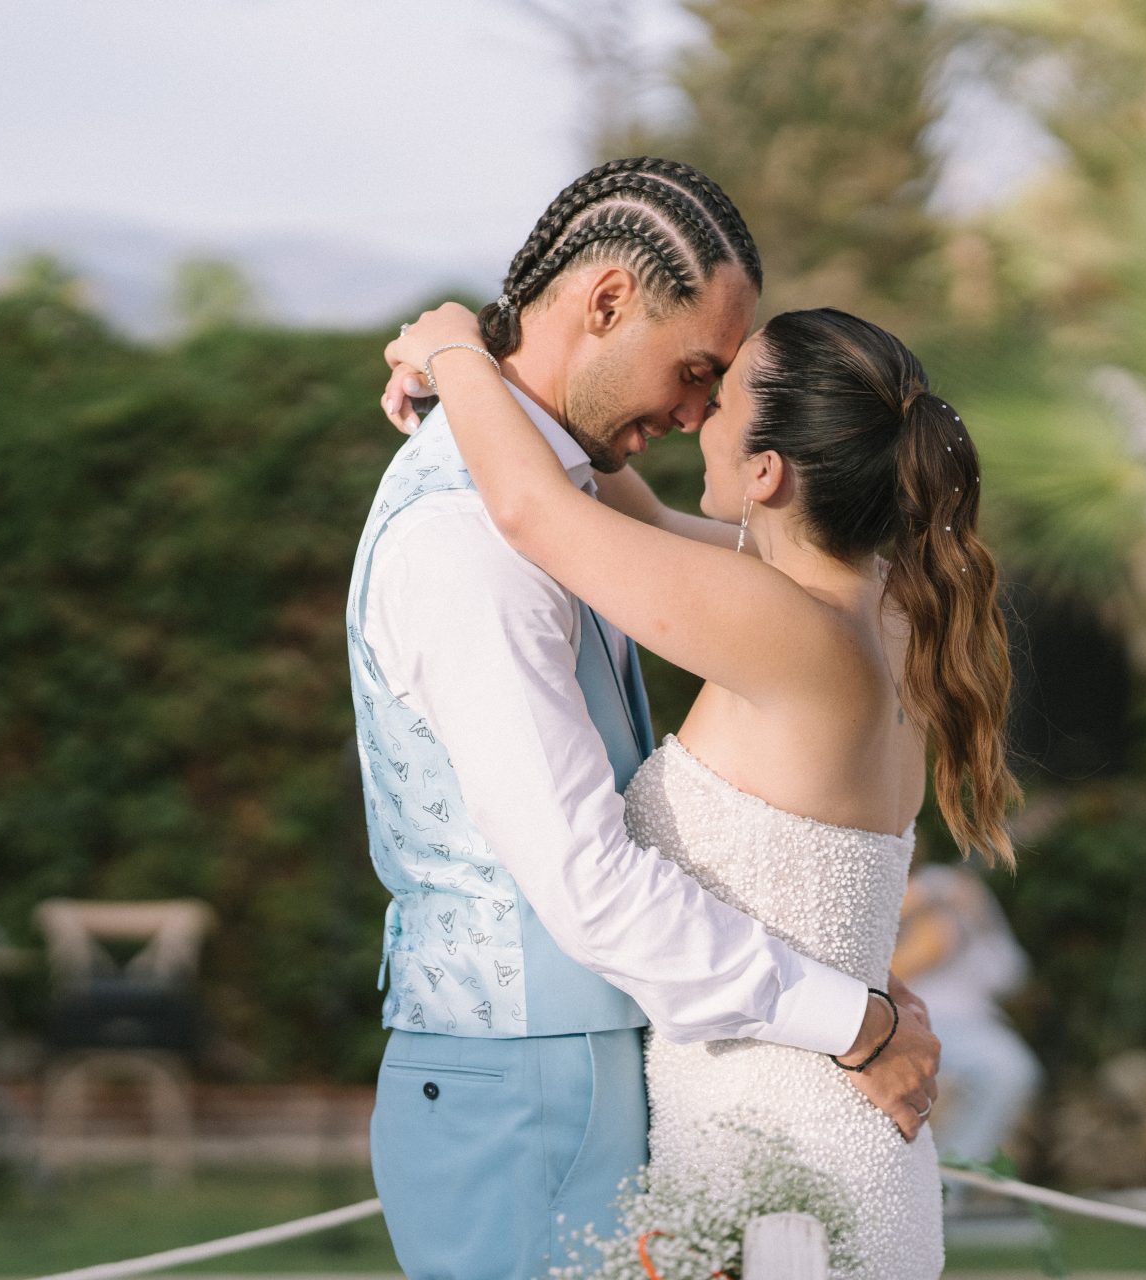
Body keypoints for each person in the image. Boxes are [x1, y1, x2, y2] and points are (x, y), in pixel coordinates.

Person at [349, 157, 941, 1280]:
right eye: (696, 370)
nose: (694, 412)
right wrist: (854, 1011)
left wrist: (460, 355)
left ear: (772, 471)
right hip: (530, 1084)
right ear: (610, 300)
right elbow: (588, 884)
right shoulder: (470, 538)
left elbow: (557, 496)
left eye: (720, 390)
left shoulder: (586, 522)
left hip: (670, 1081)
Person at [893, 861, 1043, 1212]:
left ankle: (945, 1187)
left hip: (971, 1023)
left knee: (1013, 1070)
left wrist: (979, 921)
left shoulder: (962, 891)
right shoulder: (914, 890)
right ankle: (926, 1188)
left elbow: (1009, 974)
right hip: (907, 1015)